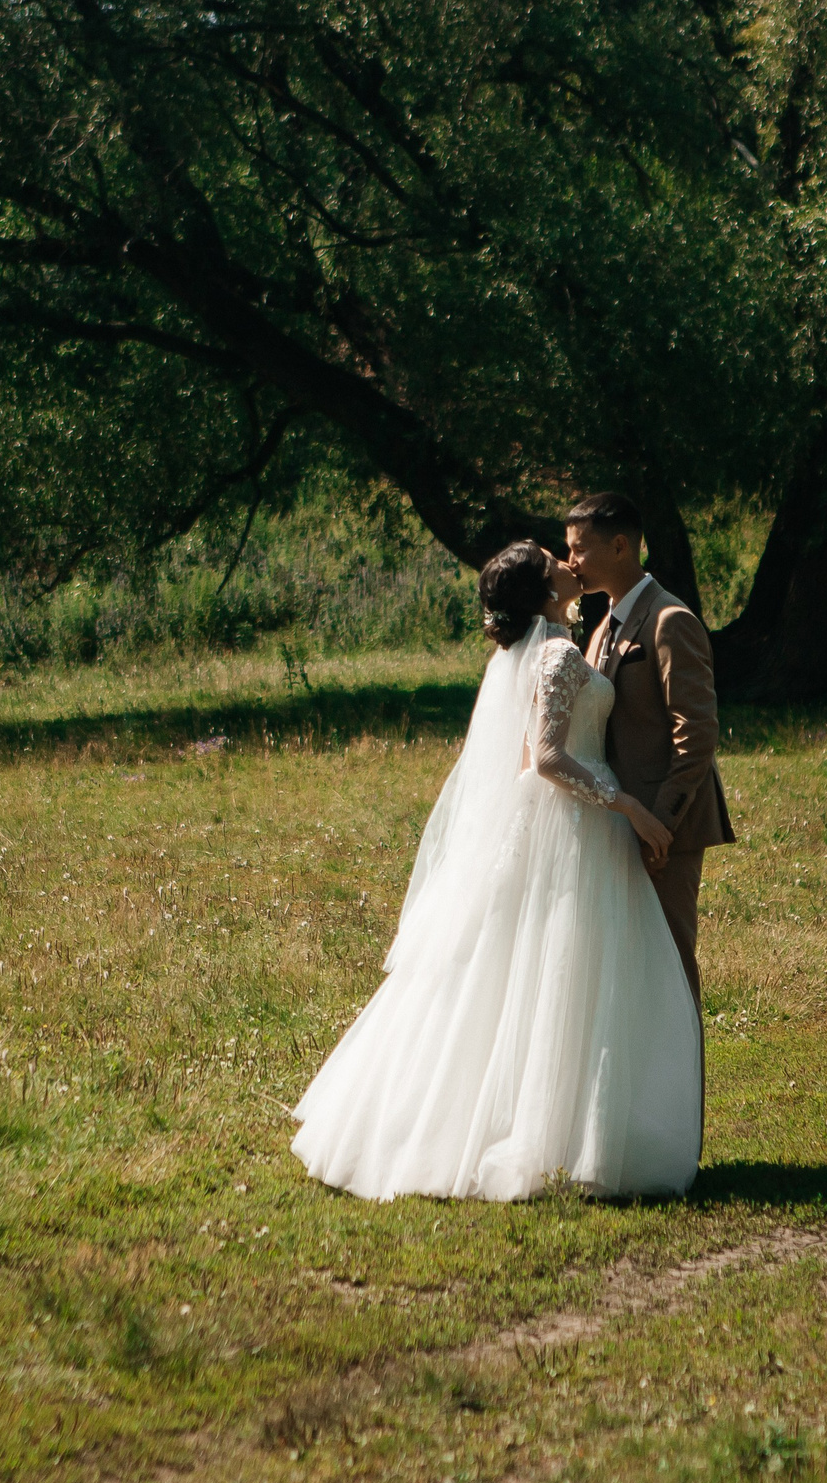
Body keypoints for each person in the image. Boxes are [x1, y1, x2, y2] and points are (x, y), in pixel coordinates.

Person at [288, 539, 705, 1201]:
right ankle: (564, 1136)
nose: (567, 560)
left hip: (563, 821)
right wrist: (626, 803)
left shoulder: (542, 650)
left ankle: (560, 1130)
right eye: (553, 558)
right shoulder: (557, 653)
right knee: (567, 972)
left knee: (538, 971)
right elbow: (547, 757)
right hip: (577, 822)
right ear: (544, 589)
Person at [564, 491, 734, 1149]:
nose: (572, 561)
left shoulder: (670, 621)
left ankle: (680, 1137)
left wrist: (658, 824)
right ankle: (631, 1129)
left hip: (666, 833)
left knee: (668, 975)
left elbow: (696, 736)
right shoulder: (603, 625)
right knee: (624, 978)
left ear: (620, 546)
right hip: (619, 828)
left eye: (580, 548)